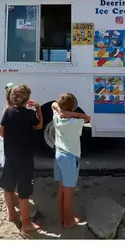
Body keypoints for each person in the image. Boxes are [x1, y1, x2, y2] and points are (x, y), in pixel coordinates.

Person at [0, 84, 43, 231]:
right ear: (28, 99)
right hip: (25, 158)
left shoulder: (8, 111)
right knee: (24, 191)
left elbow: (1, 131)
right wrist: (39, 109)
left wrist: (12, 140)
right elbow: (39, 126)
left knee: (8, 186)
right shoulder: (30, 114)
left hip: (10, 156)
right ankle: (26, 223)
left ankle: (11, 214)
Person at [51, 93, 90, 228]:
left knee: (61, 188)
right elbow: (87, 118)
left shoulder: (56, 116)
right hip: (70, 158)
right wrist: (72, 114)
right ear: (73, 108)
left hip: (59, 155)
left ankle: (62, 218)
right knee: (69, 192)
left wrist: (61, 112)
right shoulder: (75, 122)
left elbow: (53, 105)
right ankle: (68, 221)